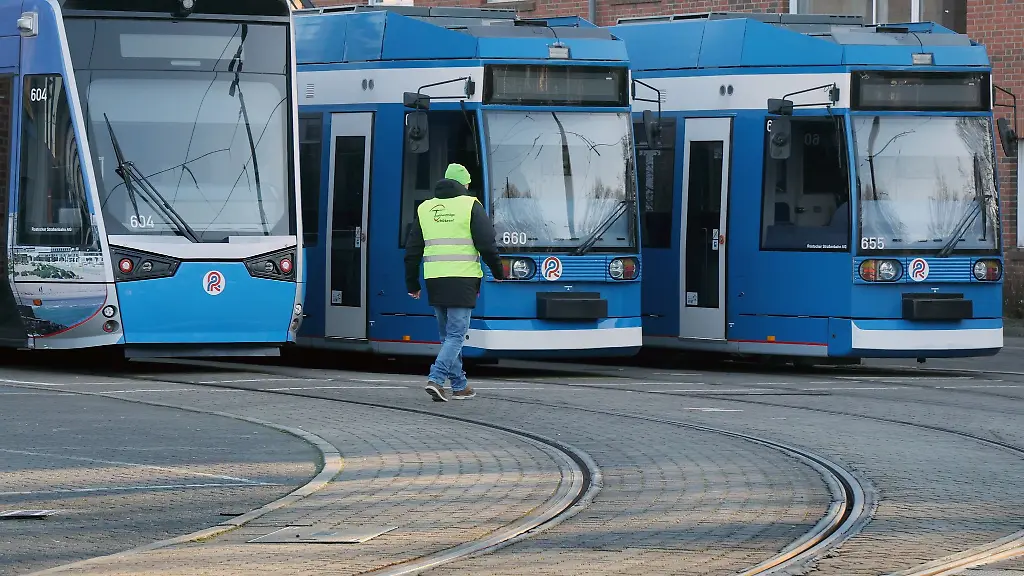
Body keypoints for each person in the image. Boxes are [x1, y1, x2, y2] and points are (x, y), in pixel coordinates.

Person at [405, 163, 505, 402]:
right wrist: (498, 271)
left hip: (435, 279)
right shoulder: (471, 205)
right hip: (462, 279)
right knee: (456, 336)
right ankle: (436, 379)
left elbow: (413, 250)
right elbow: (487, 244)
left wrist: (412, 283)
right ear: (465, 184)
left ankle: (460, 385)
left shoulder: (425, 208)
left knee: (447, 336)